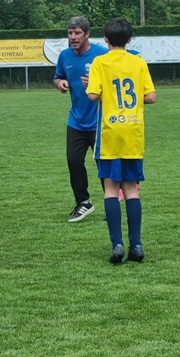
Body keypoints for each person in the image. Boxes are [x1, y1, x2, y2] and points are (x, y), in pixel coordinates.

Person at [86, 18, 156, 264]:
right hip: (133, 132)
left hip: (110, 132)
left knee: (110, 189)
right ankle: (136, 244)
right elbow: (151, 97)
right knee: (131, 190)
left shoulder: (99, 62)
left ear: (105, 39)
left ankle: (117, 244)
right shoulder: (138, 62)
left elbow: (93, 95)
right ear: (129, 39)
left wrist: (101, 90)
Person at [54, 16, 108, 222]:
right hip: (76, 121)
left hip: (99, 121)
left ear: (87, 34)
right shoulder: (65, 56)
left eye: (77, 33)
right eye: (70, 33)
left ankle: (111, 203)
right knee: (74, 161)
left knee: (103, 164)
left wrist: (96, 84)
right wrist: (60, 83)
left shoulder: (101, 55)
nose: (73, 37)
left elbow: (114, 82)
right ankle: (83, 202)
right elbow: (58, 77)